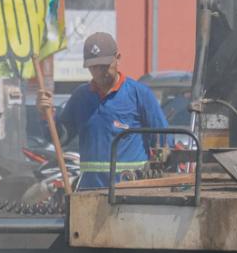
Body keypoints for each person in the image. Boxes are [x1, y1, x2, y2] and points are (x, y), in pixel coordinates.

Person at [37, 32, 168, 189]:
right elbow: (60, 138)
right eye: (94, 67)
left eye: (104, 65)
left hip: (131, 192)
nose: (99, 72)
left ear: (117, 58)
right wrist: (47, 115)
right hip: (90, 192)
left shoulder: (139, 94)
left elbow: (164, 141)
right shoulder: (81, 97)